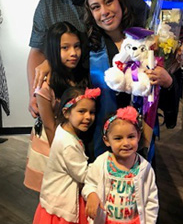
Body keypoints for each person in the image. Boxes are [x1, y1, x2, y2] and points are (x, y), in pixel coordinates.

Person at [28, 0, 147, 119]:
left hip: (123, 98)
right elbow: (37, 51)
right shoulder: (46, 6)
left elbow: (144, 28)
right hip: (72, 108)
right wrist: (34, 92)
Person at [84, 0, 181, 158]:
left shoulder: (149, 41)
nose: (104, 11)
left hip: (139, 140)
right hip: (101, 142)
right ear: (91, 13)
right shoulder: (87, 48)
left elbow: (165, 95)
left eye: (109, 1)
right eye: (96, 7)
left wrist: (167, 81)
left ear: (121, 2)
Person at [24, 21, 88, 192]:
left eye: (76, 46)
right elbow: (50, 126)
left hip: (74, 140)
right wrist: (58, 157)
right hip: (52, 145)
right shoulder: (45, 86)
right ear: (53, 49)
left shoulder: (79, 75)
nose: (73, 53)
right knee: (53, 192)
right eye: (65, 48)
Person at [33, 86, 101, 224]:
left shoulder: (63, 130)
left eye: (92, 112)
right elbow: (83, 174)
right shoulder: (68, 144)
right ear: (66, 112)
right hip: (62, 201)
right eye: (82, 111)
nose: (88, 117)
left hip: (54, 195)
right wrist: (104, 165)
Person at [82, 106, 159, 224]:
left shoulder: (144, 168)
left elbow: (151, 201)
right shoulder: (101, 162)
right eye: (118, 138)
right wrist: (91, 194)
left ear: (138, 136)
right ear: (107, 140)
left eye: (131, 136)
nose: (126, 143)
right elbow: (89, 184)